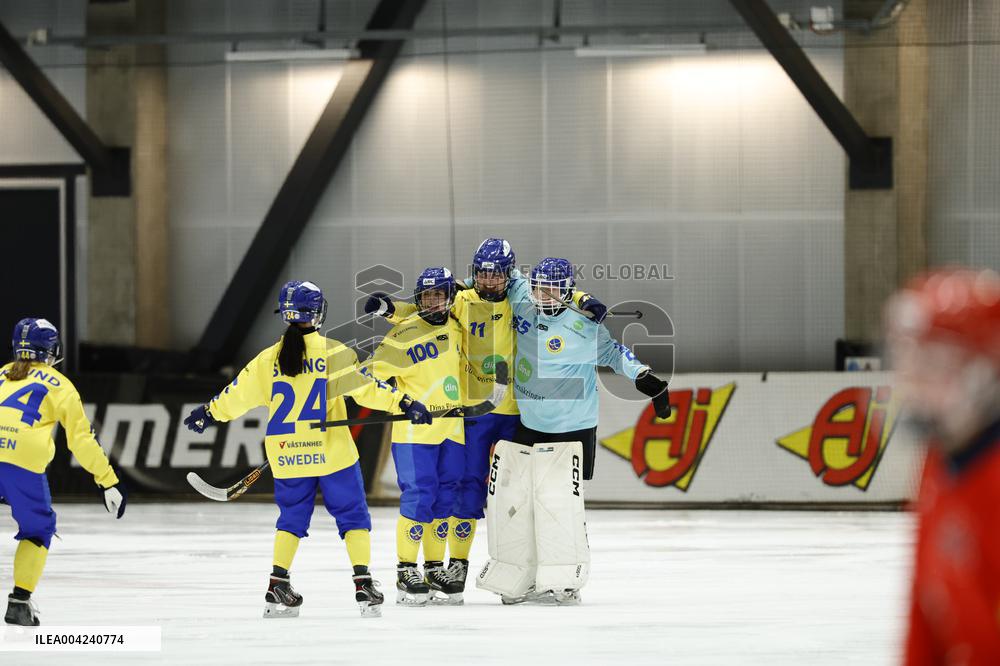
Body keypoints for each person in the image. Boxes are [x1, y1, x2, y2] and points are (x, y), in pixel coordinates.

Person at [364, 240, 607, 595]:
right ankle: (455, 566)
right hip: (474, 413)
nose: (489, 281)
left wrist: (585, 301)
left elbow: (557, 288)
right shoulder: (461, 300)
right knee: (466, 486)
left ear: (510, 274)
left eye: (496, 275)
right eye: (482, 273)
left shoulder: (522, 296)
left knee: (521, 494)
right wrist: (390, 309)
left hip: (515, 415)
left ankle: (536, 566)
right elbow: (427, 309)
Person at [183, 281, 432, 618]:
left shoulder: (267, 359)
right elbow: (369, 390)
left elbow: (236, 395)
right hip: (333, 456)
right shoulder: (333, 352)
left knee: (290, 520)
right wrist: (404, 401)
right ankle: (363, 584)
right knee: (353, 517)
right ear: (318, 313)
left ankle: (277, 583)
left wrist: (208, 413)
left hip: (287, 455)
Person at [477, 257, 670, 606]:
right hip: (529, 423)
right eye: (539, 287)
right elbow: (508, 273)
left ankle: (565, 580)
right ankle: (530, 575)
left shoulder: (584, 328)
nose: (543, 294)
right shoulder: (521, 296)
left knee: (558, 504)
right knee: (524, 503)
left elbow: (615, 353)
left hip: (572, 428)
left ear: (566, 288)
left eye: (553, 288)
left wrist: (646, 379)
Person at [884, 268, 1000, 664]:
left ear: (983, 373)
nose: (913, 382)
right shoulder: (939, 463)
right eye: (910, 362)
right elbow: (925, 608)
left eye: (933, 365)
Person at [0, 318, 126, 626]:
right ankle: (19, 602)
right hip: (22, 459)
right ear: (52, 351)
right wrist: (107, 481)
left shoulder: (1, 373)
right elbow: (82, 441)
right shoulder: (62, 386)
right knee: (37, 529)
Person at [364, 267, 467, 606]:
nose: (432, 302)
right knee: (419, 496)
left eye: (439, 295)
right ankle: (406, 569)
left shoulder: (456, 323)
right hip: (415, 431)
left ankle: (434, 566)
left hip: (452, 426)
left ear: (449, 297)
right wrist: (403, 402)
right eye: (426, 296)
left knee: (445, 498)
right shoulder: (403, 335)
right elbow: (365, 381)